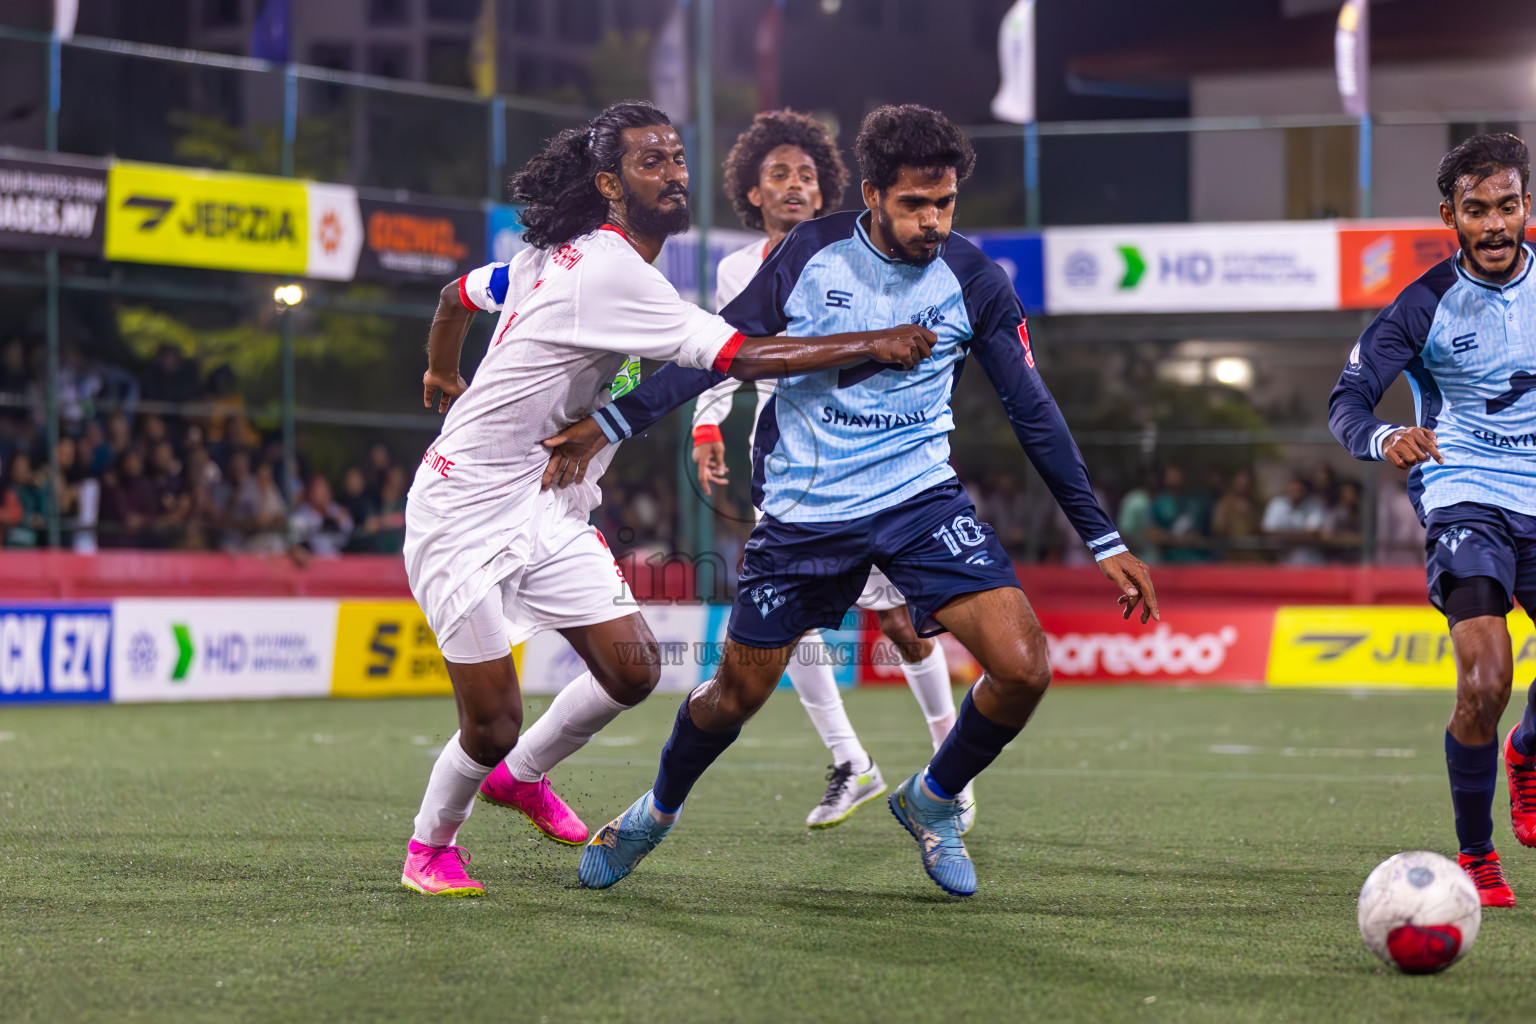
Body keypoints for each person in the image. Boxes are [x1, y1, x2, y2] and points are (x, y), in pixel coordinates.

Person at [545, 104, 1157, 898]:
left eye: (945, 204)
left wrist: (1104, 540)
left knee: (1024, 666)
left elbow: (1033, 412)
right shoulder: (809, 252)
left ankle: (931, 801)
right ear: (872, 194)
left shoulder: (973, 279)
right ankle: (653, 813)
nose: (933, 222)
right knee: (737, 695)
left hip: (919, 500)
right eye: (914, 205)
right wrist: (613, 421)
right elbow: (717, 353)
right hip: (804, 513)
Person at [398, 99, 934, 899]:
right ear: (611, 184)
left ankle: (523, 778)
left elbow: (454, 298)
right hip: (461, 508)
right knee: (491, 721)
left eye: (678, 158)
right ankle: (430, 847)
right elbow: (740, 359)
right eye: (653, 163)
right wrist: (874, 343)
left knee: (634, 668)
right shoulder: (609, 269)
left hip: (544, 505)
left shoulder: (562, 254)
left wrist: (444, 371)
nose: (675, 174)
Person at [687, 109, 977, 831]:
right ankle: (851, 760)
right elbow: (726, 350)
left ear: (828, 193)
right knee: (791, 619)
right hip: (784, 463)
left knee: (905, 621)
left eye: (807, 176)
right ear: (751, 192)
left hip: (868, 459)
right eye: (777, 175)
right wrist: (703, 424)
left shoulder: (861, 253)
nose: (793, 186)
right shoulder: (735, 269)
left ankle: (951, 766)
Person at [1329, 133, 1536, 908]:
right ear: (1449, 214)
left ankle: (1527, 752)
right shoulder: (1421, 305)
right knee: (1485, 678)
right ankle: (1477, 855)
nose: (1493, 225)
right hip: (1465, 493)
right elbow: (1346, 402)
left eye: (1507, 207)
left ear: (1526, 208)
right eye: (1475, 210)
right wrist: (1387, 436)